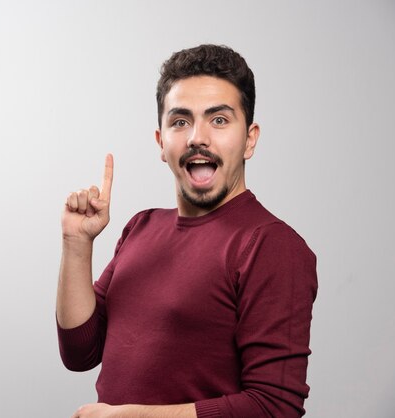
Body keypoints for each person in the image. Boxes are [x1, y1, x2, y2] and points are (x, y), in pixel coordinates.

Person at [56, 44, 318, 418]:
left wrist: (134, 417)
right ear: (162, 143)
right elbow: (80, 352)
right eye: (180, 121)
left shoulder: (272, 246)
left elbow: (274, 407)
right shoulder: (141, 227)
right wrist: (76, 244)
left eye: (219, 120)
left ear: (250, 139)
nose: (198, 137)